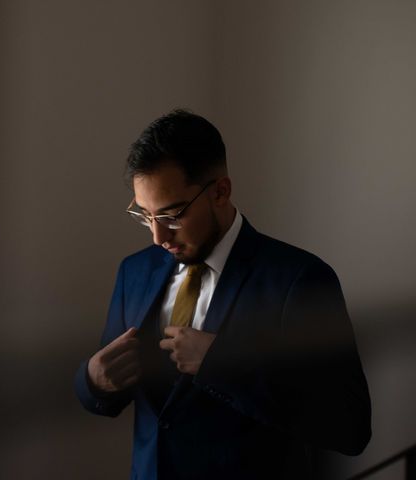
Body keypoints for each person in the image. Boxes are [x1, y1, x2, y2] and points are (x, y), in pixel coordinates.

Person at [74, 110, 371, 479]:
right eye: (145, 216)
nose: (158, 237)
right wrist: (91, 380)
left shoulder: (300, 279)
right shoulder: (134, 272)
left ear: (220, 191)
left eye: (171, 215)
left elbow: (350, 426)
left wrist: (222, 363)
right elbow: (109, 391)